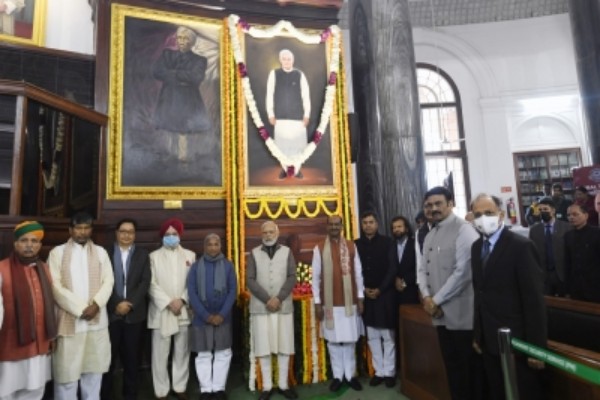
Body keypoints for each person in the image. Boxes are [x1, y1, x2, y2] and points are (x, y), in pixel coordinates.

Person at [471, 194, 547, 400]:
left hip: (518, 342)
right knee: (497, 391)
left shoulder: (520, 246)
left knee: (523, 393)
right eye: (477, 214)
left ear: (501, 214)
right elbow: (480, 293)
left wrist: (536, 348)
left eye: (488, 213)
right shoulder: (476, 247)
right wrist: (478, 334)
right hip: (489, 339)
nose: (483, 218)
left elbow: (534, 301)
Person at [416, 186, 480, 400]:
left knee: (469, 372)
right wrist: (426, 297)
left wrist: (436, 300)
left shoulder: (464, 230)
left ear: (450, 204)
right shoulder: (429, 234)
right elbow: (421, 270)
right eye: (429, 205)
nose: (433, 209)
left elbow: (464, 273)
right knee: (452, 369)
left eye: (438, 204)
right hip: (438, 315)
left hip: (462, 316)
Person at [48, 212, 114, 400]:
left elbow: (108, 282)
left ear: (91, 230)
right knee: (67, 375)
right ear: (70, 230)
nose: (82, 232)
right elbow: (55, 286)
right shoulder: (57, 253)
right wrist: (80, 309)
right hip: (70, 324)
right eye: (78, 228)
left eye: (86, 228)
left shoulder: (101, 252)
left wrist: (96, 305)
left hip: (96, 323)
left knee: (93, 373)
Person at [0, 221, 56, 400]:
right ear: (15, 244)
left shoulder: (45, 269)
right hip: (10, 345)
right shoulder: (2, 269)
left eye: (34, 241)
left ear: (40, 245)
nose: (29, 245)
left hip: (40, 344)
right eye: (24, 241)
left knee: (35, 388)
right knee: (6, 389)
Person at [312, 215, 364, 392]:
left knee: (349, 340)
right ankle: (337, 376)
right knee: (333, 341)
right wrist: (318, 303)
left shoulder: (351, 246)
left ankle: (350, 375)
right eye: (331, 224)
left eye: (337, 224)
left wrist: (360, 297)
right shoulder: (319, 248)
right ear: (327, 227)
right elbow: (316, 278)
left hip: (349, 303)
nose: (334, 227)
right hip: (329, 303)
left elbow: (358, 273)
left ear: (341, 226)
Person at [101, 219, 151, 400]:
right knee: (107, 361)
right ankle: (105, 395)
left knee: (132, 360)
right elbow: (103, 282)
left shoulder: (142, 254)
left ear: (135, 235)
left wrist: (129, 303)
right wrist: (116, 304)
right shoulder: (105, 253)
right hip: (111, 314)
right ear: (116, 232)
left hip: (134, 315)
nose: (126, 235)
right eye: (123, 231)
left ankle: (130, 395)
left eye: (130, 232)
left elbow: (145, 282)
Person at [247, 221, 298, 400]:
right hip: (261, 308)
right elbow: (250, 280)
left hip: (282, 307)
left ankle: (283, 384)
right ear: (261, 234)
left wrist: (278, 298)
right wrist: (268, 299)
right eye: (265, 232)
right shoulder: (253, 253)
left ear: (277, 232)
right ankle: (267, 386)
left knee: (284, 345)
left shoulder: (287, 252)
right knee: (264, 346)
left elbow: (292, 276)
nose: (268, 235)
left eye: (271, 232)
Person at [148, 218, 196, 400]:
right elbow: (151, 285)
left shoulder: (190, 256)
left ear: (180, 235)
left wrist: (182, 300)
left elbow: (193, 282)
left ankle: (179, 387)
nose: (171, 237)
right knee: (160, 354)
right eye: (167, 235)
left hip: (183, 310)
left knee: (182, 351)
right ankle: (161, 391)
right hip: (162, 311)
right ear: (162, 236)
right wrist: (169, 302)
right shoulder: (153, 257)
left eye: (174, 234)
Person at [188, 234, 237, 400]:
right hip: (202, 318)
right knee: (203, 353)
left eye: (217, 244)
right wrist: (206, 315)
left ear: (220, 246)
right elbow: (192, 293)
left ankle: (218, 388)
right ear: (205, 247)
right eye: (210, 244)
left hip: (223, 317)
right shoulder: (195, 267)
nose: (214, 247)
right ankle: (206, 389)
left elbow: (232, 291)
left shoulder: (228, 266)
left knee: (223, 352)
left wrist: (222, 314)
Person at [153, 26, 211, 162]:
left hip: (187, 100)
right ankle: (168, 157)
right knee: (167, 129)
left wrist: (171, 73)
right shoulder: (167, 54)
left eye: (185, 38)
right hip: (168, 98)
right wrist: (182, 76)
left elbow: (196, 77)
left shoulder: (199, 60)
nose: (181, 41)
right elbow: (157, 72)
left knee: (183, 131)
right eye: (179, 37)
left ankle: (182, 161)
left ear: (192, 42)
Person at [354, 212, 397, 388]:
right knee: (372, 336)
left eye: (371, 222)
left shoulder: (388, 242)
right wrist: (363, 290)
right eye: (365, 223)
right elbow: (355, 270)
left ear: (377, 224)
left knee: (388, 336)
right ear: (362, 225)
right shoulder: (355, 244)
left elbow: (393, 268)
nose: (368, 225)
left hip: (385, 294)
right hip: (366, 295)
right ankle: (379, 371)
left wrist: (380, 289)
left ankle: (390, 372)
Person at [266, 48, 311, 179]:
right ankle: (285, 169)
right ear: (280, 60)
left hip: (298, 117)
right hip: (280, 117)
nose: (287, 61)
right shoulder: (274, 74)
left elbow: (306, 95)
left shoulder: (299, 75)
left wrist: (306, 114)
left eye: (289, 59)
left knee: (298, 145)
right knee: (282, 146)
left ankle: (297, 170)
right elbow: (269, 95)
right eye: (284, 59)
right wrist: (271, 114)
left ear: (293, 60)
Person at [528, 197, 571, 296]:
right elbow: (532, 253)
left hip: (561, 273)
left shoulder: (566, 227)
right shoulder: (534, 230)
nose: (543, 212)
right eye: (540, 210)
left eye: (546, 209)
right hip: (544, 275)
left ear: (553, 210)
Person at [564, 203, 600, 303]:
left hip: (595, 287)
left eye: (575, 214)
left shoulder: (597, 233)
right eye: (569, 215)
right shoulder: (568, 236)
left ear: (586, 215)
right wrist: (567, 289)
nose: (571, 217)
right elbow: (567, 263)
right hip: (576, 288)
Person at [391, 215, 419, 305]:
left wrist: (404, 282)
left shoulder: (415, 244)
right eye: (394, 227)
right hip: (393, 293)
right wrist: (395, 279)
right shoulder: (390, 246)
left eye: (399, 227)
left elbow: (419, 267)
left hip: (411, 291)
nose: (396, 229)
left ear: (406, 228)